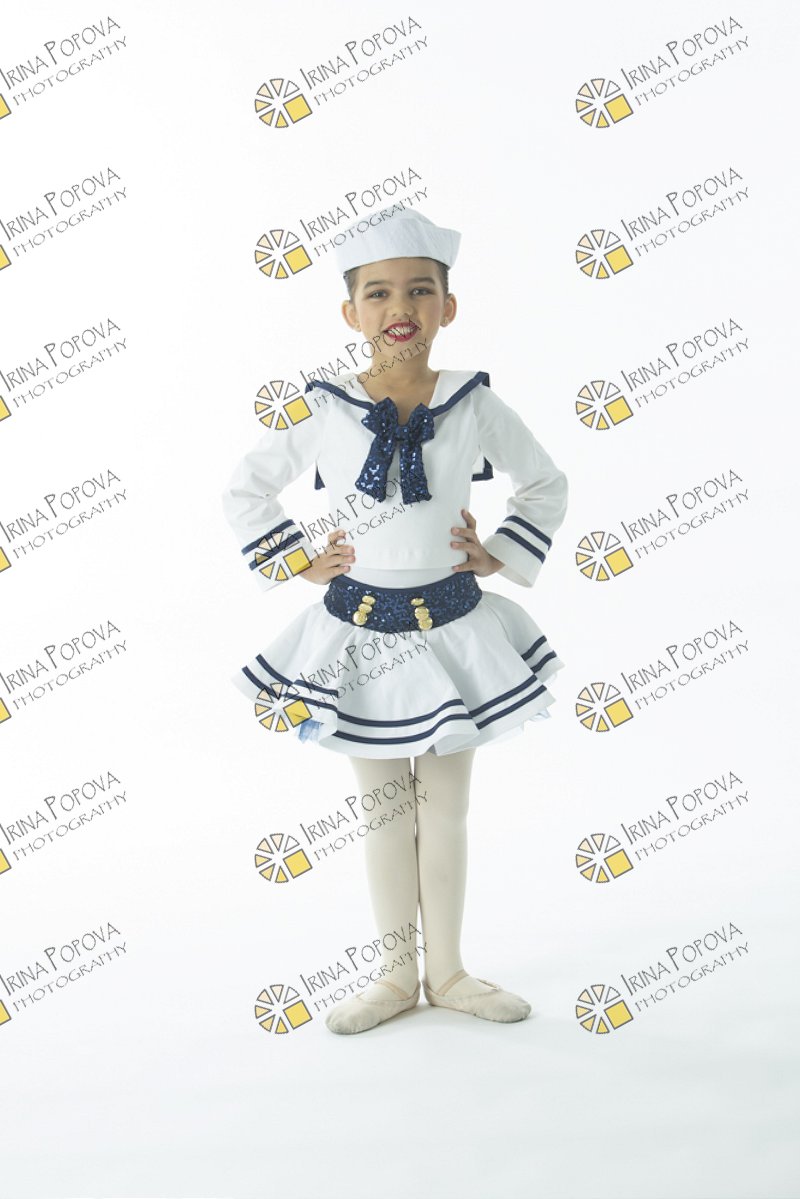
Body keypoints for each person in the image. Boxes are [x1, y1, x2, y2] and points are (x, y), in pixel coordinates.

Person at [221, 208, 568, 1034]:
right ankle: (392, 975)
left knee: (445, 809)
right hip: (360, 635)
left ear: (449, 305)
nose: (399, 306)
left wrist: (498, 553)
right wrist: (298, 559)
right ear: (351, 313)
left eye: (419, 289)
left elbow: (545, 482)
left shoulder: (473, 402)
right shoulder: (325, 405)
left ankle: (448, 973)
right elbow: (246, 488)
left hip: (453, 630)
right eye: (378, 293)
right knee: (384, 812)